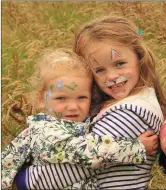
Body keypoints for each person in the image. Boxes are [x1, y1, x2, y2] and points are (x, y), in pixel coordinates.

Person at [14, 15, 165, 189]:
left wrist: (24, 179)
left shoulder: (130, 112)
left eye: (120, 63)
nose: (112, 76)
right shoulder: (128, 100)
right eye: (99, 70)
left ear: (139, 58)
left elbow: (79, 167)